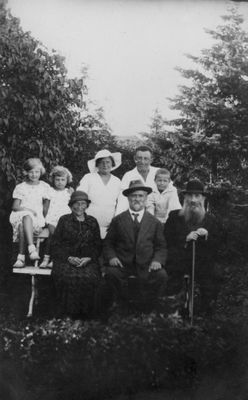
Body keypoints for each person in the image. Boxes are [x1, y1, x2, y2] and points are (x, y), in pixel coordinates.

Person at [103, 180, 167, 309]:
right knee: (110, 274)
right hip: (122, 264)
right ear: (128, 198)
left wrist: (157, 260)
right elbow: (108, 243)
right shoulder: (118, 220)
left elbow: (161, 246)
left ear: (146, 198)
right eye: (133, 196)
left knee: (161, 275)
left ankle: (148, 308)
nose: (137, 199)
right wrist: (112, 257)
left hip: (146, 264)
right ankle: (121, 307)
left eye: (140, 196)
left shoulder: (154, 222)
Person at [164, 179, 223, 314]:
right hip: (179, 260)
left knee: (214, 274)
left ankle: (205, 311)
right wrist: (185, 238)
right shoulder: (174, 216)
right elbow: (167, 239)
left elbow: (218, 245)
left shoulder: (211, 220)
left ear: (203, 198)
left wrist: (207, 235)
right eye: (190, 196)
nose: (193, 200)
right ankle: (174, 311)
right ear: (185, 197)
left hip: (202, 262)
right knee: (171, 276)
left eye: (197, 196)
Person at [51, 191, 102, 318]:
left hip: (88, 260)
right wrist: (68, 258)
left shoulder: (92, 221)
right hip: (65, 259)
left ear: (87, 206)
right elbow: (55, 244)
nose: (79, 207)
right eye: (76, 204)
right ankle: (66, 316)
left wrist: (89, 258)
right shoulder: (64, 220)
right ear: (71, 205)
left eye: (83, 204)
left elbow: (98, 245)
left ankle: (86, 316)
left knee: (90, 277)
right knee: (67, 277)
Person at [10, 158, 51, 268]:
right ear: (26, 172)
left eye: (37, 172)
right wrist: (28, 210)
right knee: (26, 216)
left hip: (37, 218)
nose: (34, 175)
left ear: (40, 172)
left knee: (22, 225)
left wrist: (46, 221)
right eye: (31, 172)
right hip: (20, 213)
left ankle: (21, 257)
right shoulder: (21, 187)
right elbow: (15, 206)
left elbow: (46, 207)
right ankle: (31, 248)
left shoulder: (44, 186)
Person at [77, 149, 121, 239]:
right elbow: (80, 197)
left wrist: (115, 222)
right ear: (97, 164)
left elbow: (120, 203)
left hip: (109, 227)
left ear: (112, 164)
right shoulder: (88, 178)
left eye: (108, 162)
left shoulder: (117, 181)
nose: (105, 165)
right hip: (88, 224)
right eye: (102, 162)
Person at [39, 166, 74, 268]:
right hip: (52, 219)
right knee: (54, 235)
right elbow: (45, 207)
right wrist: (44, 220)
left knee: (61, 236)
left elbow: (72, 207)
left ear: (67, 180)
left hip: (65, 219)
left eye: (63, 179)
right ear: (53, 180)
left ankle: (55, 259)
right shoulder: (50, 191)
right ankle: (46, 259)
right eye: (57, 179)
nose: (60, 182)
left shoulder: (69, 192)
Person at [115, 145, 159, 215]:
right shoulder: (128, 176)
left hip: (159, 216)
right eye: (139, 158)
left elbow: (170, 194)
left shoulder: (159, 173)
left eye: (146, 158)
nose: (142, 161)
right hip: (136, 215)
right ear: (135, 158)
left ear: (151, 160)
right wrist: (119, 221)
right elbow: (122, 200)